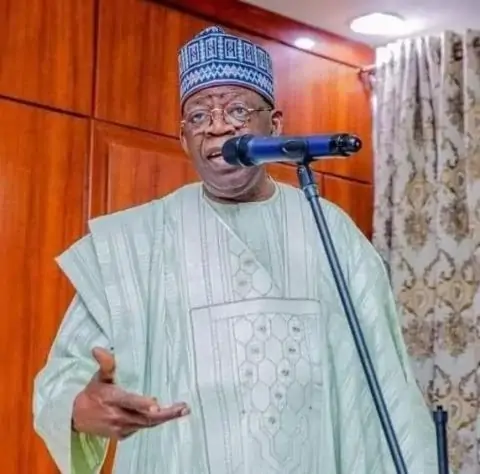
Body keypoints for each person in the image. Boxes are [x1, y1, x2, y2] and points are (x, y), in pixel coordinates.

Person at [33, 26, 438, 473]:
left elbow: (389, 384)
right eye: (199, 116)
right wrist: (79, 409)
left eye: (238, 110)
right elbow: (61, 378)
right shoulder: (134, 244)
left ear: (274, 125)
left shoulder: (331, 232)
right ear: (183, 138)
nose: (218, 126)